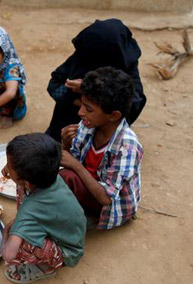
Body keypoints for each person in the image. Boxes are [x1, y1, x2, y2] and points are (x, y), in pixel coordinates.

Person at [59, 67, 143, 230]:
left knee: (65, 177)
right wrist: (66, 144)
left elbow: (106, 198)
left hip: (108, 206)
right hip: (87, 185)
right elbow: (72, 158)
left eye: (88, 109)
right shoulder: (88, 125)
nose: (81, 113)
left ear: (114, 115)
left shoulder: (127, 147)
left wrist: (75, 165)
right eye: (82, 105)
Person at [1, 133, 86, 284]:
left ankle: (47, 267)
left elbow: (8, 255)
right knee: (20, 192)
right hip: (71, 231)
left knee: (22, 245)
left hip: (68, 251)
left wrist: (6, 233)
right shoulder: (51, 177)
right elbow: (25, 187)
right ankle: (26, 230)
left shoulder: (30, 209)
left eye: (9, 166)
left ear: (27, 182)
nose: (6, 167)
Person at [45, 18, 146, 142]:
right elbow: (54, 84)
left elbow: (134, 103)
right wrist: (77, 101)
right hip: (66, 123)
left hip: (102, 132)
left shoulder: (125, 63)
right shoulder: (84, 54)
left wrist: (89, 89)